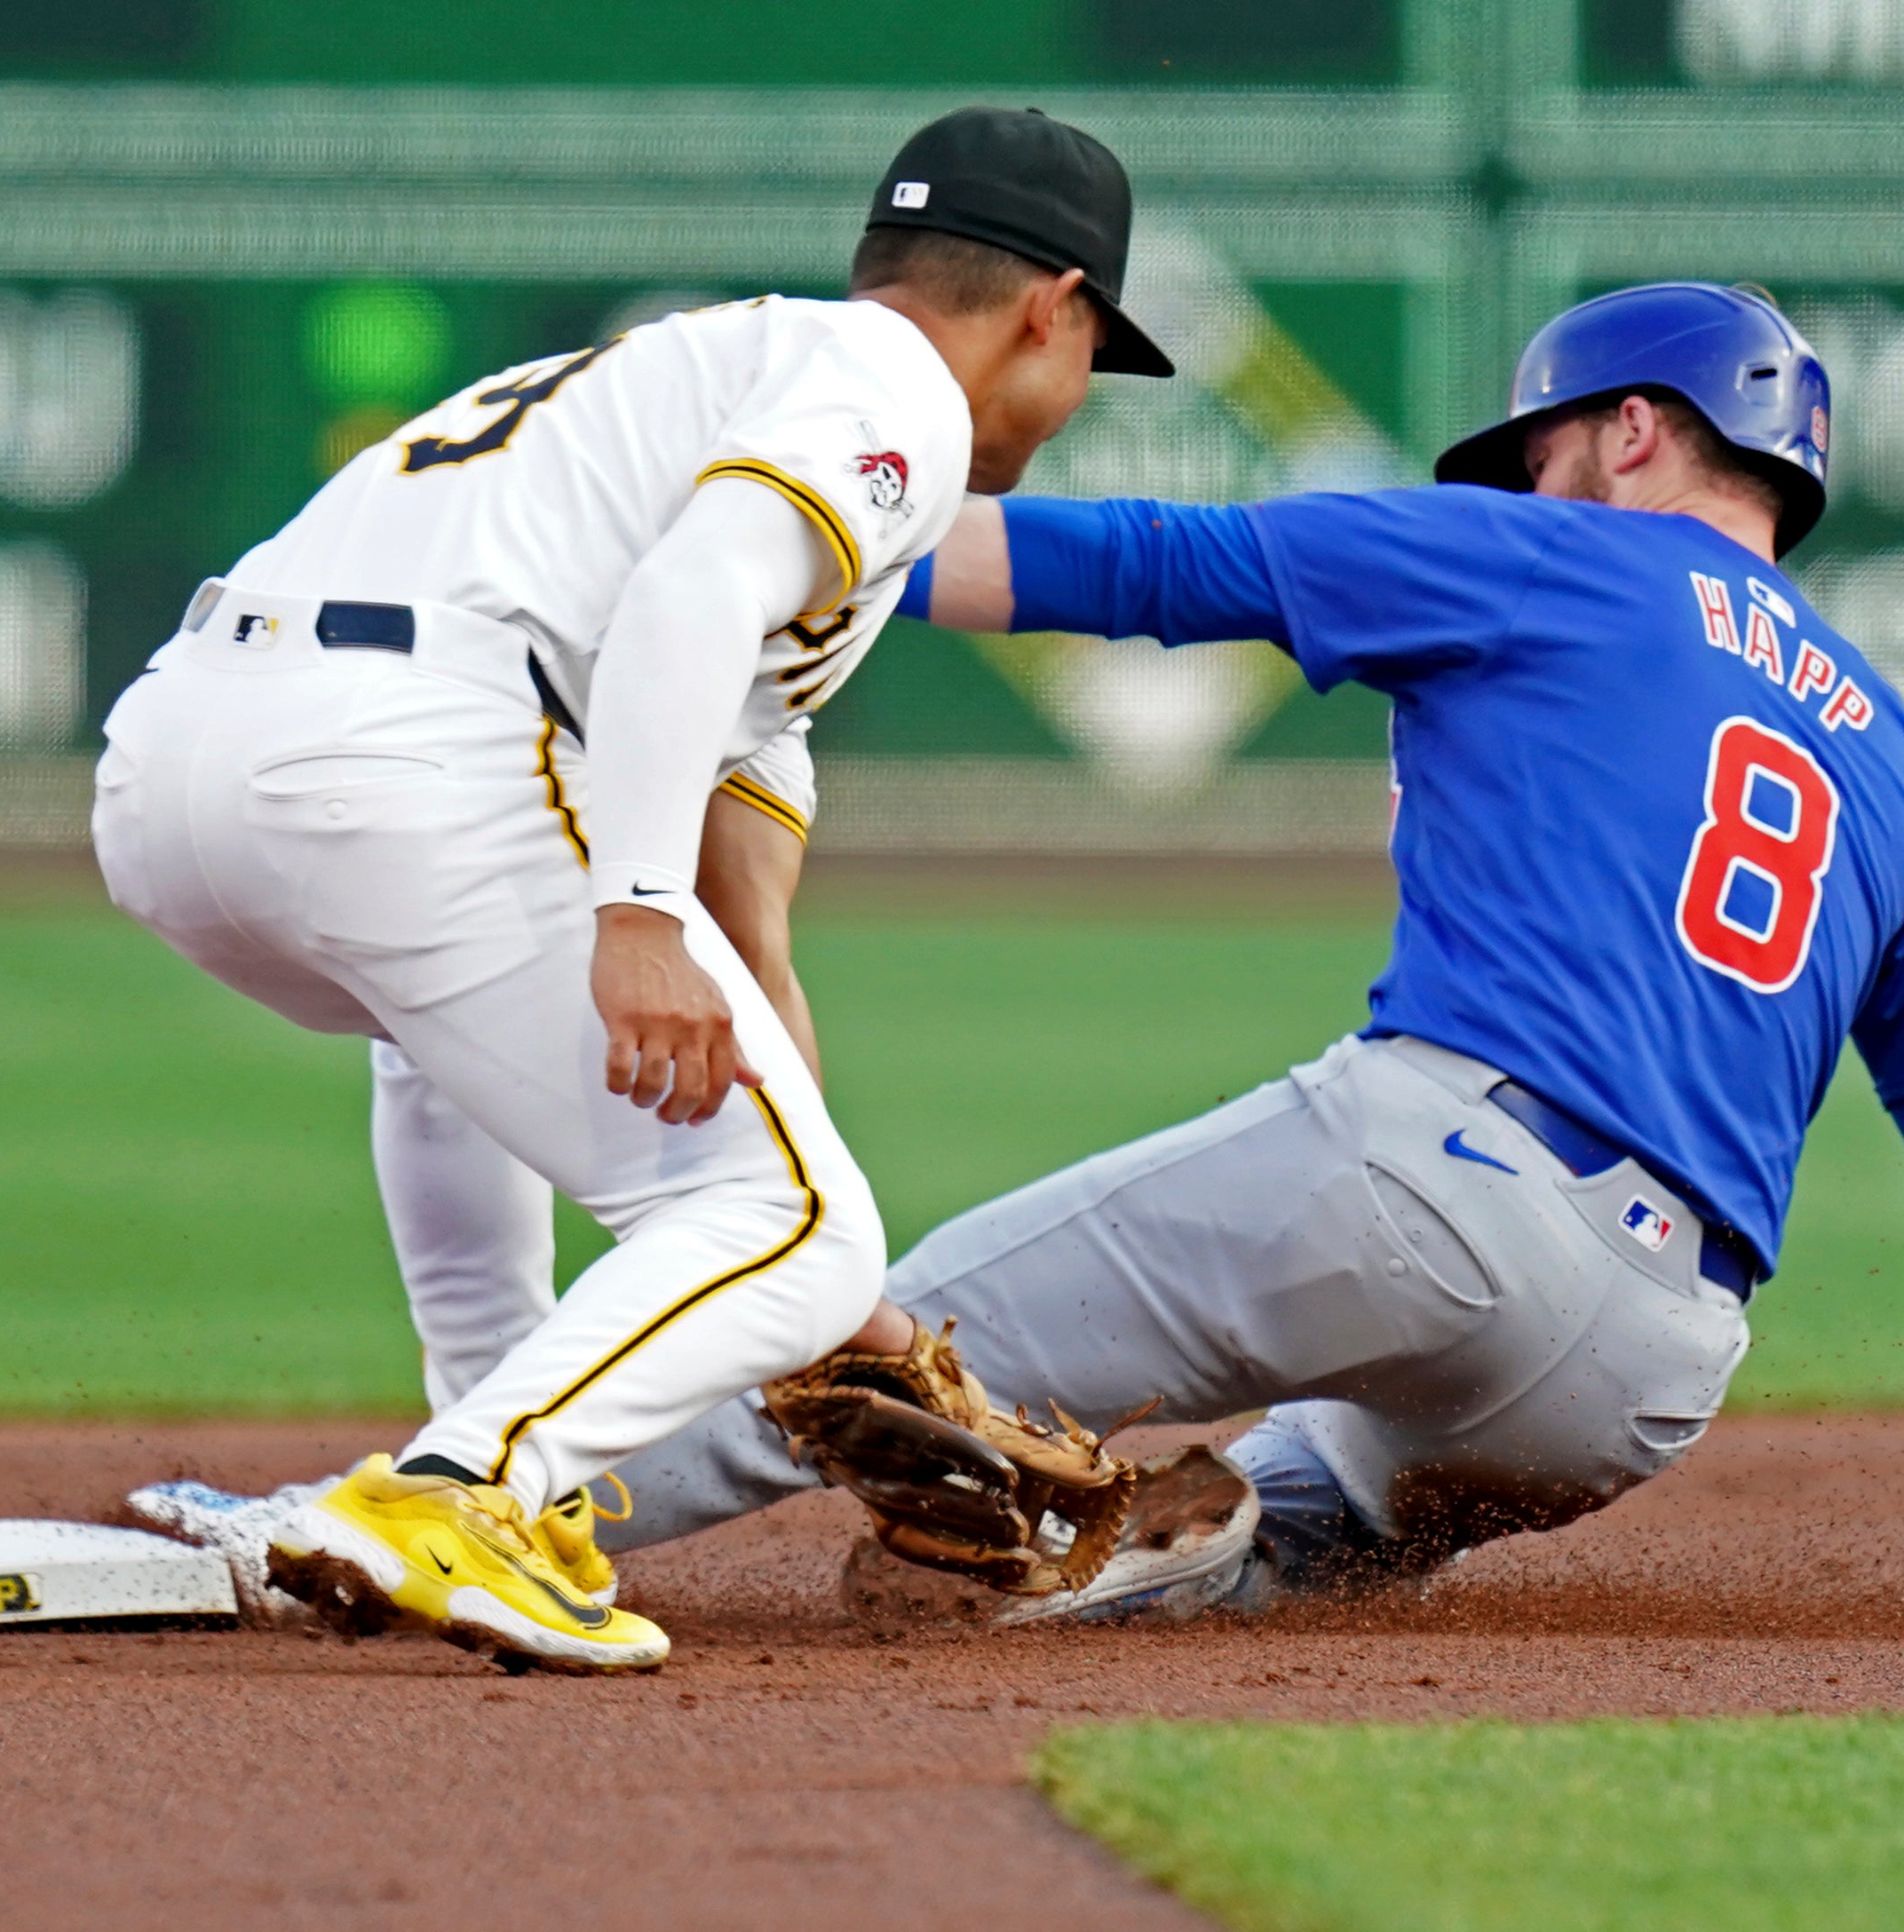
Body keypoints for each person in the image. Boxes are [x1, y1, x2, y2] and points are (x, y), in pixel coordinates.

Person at [578, 282, 1904, 1622]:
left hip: (1436, 1188)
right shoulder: (1902, 764)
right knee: (1293, 1508)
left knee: (845, 1321)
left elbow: (1138, 566)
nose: (1521, 481)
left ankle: (474, 1508)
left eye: (1541, 448)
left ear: (1629, 433)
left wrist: (762, 543)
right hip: (1638, 1378)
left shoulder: (1547, 553)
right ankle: (1187, 1546)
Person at [92, 105, 1172, 1674]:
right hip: (407, 745)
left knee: (523, 1086)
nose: (1071, 396)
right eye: (1089, 354)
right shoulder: (890, 389)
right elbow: (694, 593)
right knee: (788, 1223)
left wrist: (822, 1301)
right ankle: (466, 1490)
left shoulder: (690, 385)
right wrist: (637, 915)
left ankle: (484, 1468)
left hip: (180, 760)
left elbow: (753, 948)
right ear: (1048, 306)